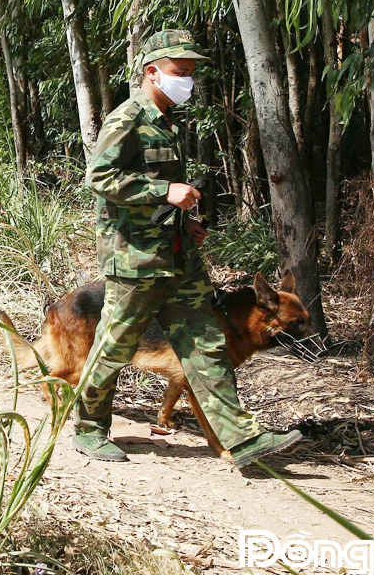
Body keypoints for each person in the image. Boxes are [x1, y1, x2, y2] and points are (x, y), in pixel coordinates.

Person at [75, 29, 302, 471]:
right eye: (180, 72)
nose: (188, 81)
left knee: (206, 343)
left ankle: (240, 438)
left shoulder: (168, 121)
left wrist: (184, 222)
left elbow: (158, 195)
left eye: (191, 73)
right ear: (152, 71)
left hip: (179, 257)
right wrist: (165, 191)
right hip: (136, 259)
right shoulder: (127, 120)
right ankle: (88, 427)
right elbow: (100, 178)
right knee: (115, 345)